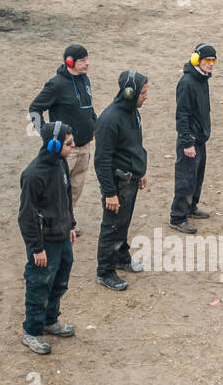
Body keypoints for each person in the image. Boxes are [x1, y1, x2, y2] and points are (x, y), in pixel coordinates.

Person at [19, 121, 78, 354]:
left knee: (59, 281)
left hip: (62, 237)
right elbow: (26, 216)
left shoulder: (61, 163)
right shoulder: (33, 175)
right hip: (44, 244)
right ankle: (32, 332)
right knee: (39, 284)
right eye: (68, 143)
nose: (73, 146)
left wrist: (71, 225)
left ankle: (50, 320)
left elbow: (66, 196)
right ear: (53, 144)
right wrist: (36, 248)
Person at [28, 44, 98, 235]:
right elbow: (34, 109)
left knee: (74, 190)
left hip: (85, 148)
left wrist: (94, 124)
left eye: (87, 58)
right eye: (82, 60)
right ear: (70, 62)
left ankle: (68, 221)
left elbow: (88, 106)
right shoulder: (56, 85)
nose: (87, 63)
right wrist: (46, 135)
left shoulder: (85, 80)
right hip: (67, 151)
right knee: (58, 191)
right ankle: (51, 226)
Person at [93, 70, 150, 291]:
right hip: (117, 184)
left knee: (123, 223)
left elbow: (135, 144)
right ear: (129, 93)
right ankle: (105, 271)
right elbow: (102, 160)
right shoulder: (110, 120)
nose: (146, 96)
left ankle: (121, 256)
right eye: (143, 92)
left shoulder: (133, 113)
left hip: (131, 180)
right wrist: (110, 192)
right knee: (111, 227)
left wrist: (141, 170)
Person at [170, 43, 215, 234]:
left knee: (197, 177)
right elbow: (182, 115)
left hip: (200, 138)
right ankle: (178, 217)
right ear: (197, 60)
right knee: (185, 179)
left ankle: (190, 207)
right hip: (190, 141)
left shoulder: (202, 78)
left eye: (214, 61)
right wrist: (187, 142)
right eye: (207, 60)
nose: (211, 64)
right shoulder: (187, 83)